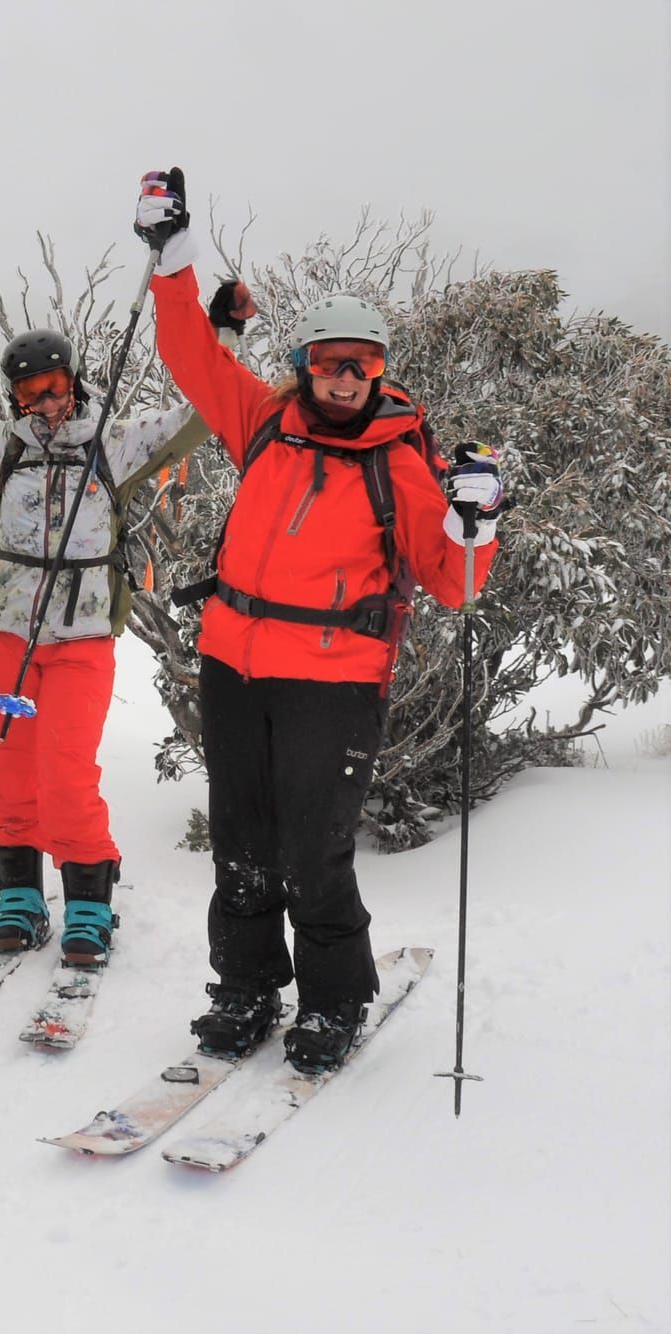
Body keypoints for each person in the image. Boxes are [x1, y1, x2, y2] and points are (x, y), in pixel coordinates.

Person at [135, 166, 505, 1072]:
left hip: (333, 679)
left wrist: (475, 517)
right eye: (331, 361)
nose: (345, 378)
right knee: (242, 840)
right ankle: (247, 985)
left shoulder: (403, 461)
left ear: (382, 372)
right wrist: (172, 258)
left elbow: (453, 582)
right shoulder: (265, 420)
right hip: (233, 661)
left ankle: (334, 1001)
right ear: (303, 365)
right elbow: (192, 357)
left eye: (364, 364)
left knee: (313, 848)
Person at [0, 278, 212, 966]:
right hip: (5, 642)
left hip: (80, 644)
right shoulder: (3, 446)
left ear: (74, 383)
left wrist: (222, 335)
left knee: (65, 773)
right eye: (29, 392)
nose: (44, 402)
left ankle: (88, 897)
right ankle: (20, 893)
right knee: (11, 771)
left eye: (53, 386)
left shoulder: (111, 444)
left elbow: (196, 416)